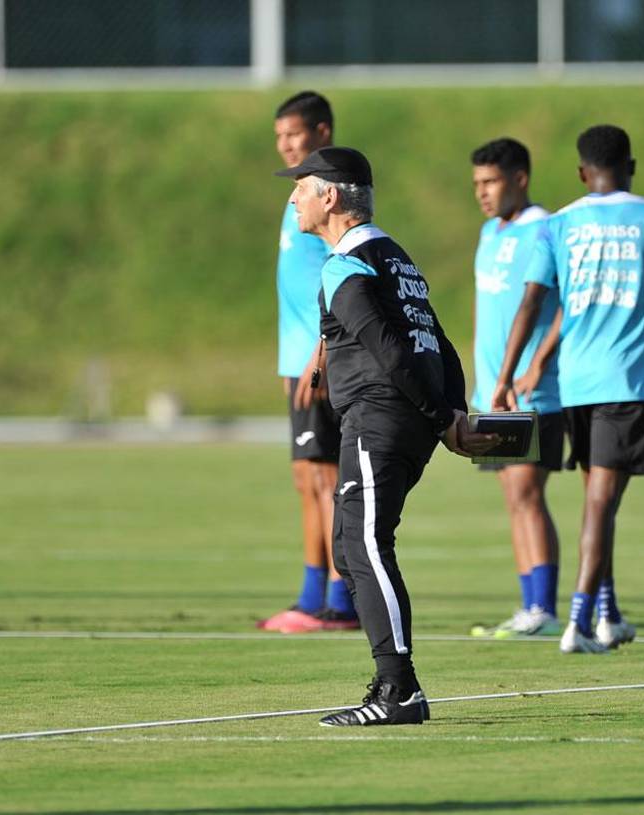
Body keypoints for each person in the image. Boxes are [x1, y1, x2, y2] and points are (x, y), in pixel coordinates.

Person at [276, 146, 498, 725]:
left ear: (330, 196)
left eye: (301, 187)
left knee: (367, 545)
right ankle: (392, 681)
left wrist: (443, 417)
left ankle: (399, 689)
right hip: (396, 418)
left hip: (380, 418)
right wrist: (451, 410)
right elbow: (439, 342)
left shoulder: (346, 263)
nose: (293, 198)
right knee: (349, 549)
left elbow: (390, 350)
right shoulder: (394, 256)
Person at [493, 124, 644, 654]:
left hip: (575, 383)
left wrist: (506, 376)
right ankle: (579, 621)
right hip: (626, 379)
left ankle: (609, 614)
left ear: (582, 173)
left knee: (600, 500)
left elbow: (531, 303)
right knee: (602, 502)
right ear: (631, 166)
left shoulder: (558, 224)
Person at [258, 91, 358, 634]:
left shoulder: (329, 199)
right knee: (307, 478)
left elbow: (342, 278)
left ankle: (341, 600)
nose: (285, 144)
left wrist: (321, 352)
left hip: (318, 361)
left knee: (327, 479)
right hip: (294, 360)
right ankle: (311, 594)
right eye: (279, 136)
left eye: (293, 134)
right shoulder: (299, 195)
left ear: (321, 132)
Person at [467, 138, 564, 639]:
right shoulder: (489, 232)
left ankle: (544, 609)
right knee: (513, 496)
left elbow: (567, 305)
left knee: (528, 492)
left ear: (520, 179)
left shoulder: (547, 229)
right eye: (477, 183)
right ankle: (530, 606)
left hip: (531, 390)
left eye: (491, 182)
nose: (482, 192)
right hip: (493, 391)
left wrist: (537, 364)